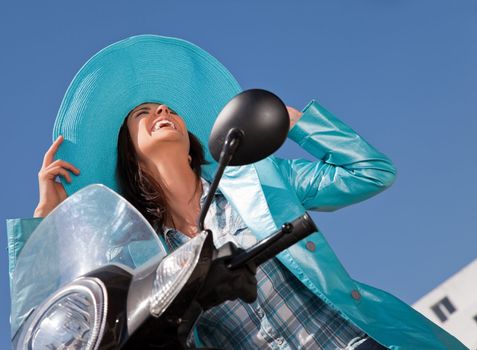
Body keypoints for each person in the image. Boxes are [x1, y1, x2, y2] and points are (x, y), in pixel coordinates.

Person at [7, 35, 466, 349]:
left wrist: (296, 121)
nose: (160, 109)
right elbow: (62, 327)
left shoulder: (261, 179)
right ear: (129, 152)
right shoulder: (139, 256)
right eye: (142, 113)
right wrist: (47, 219)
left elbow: (371, 172)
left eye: (165, 106)